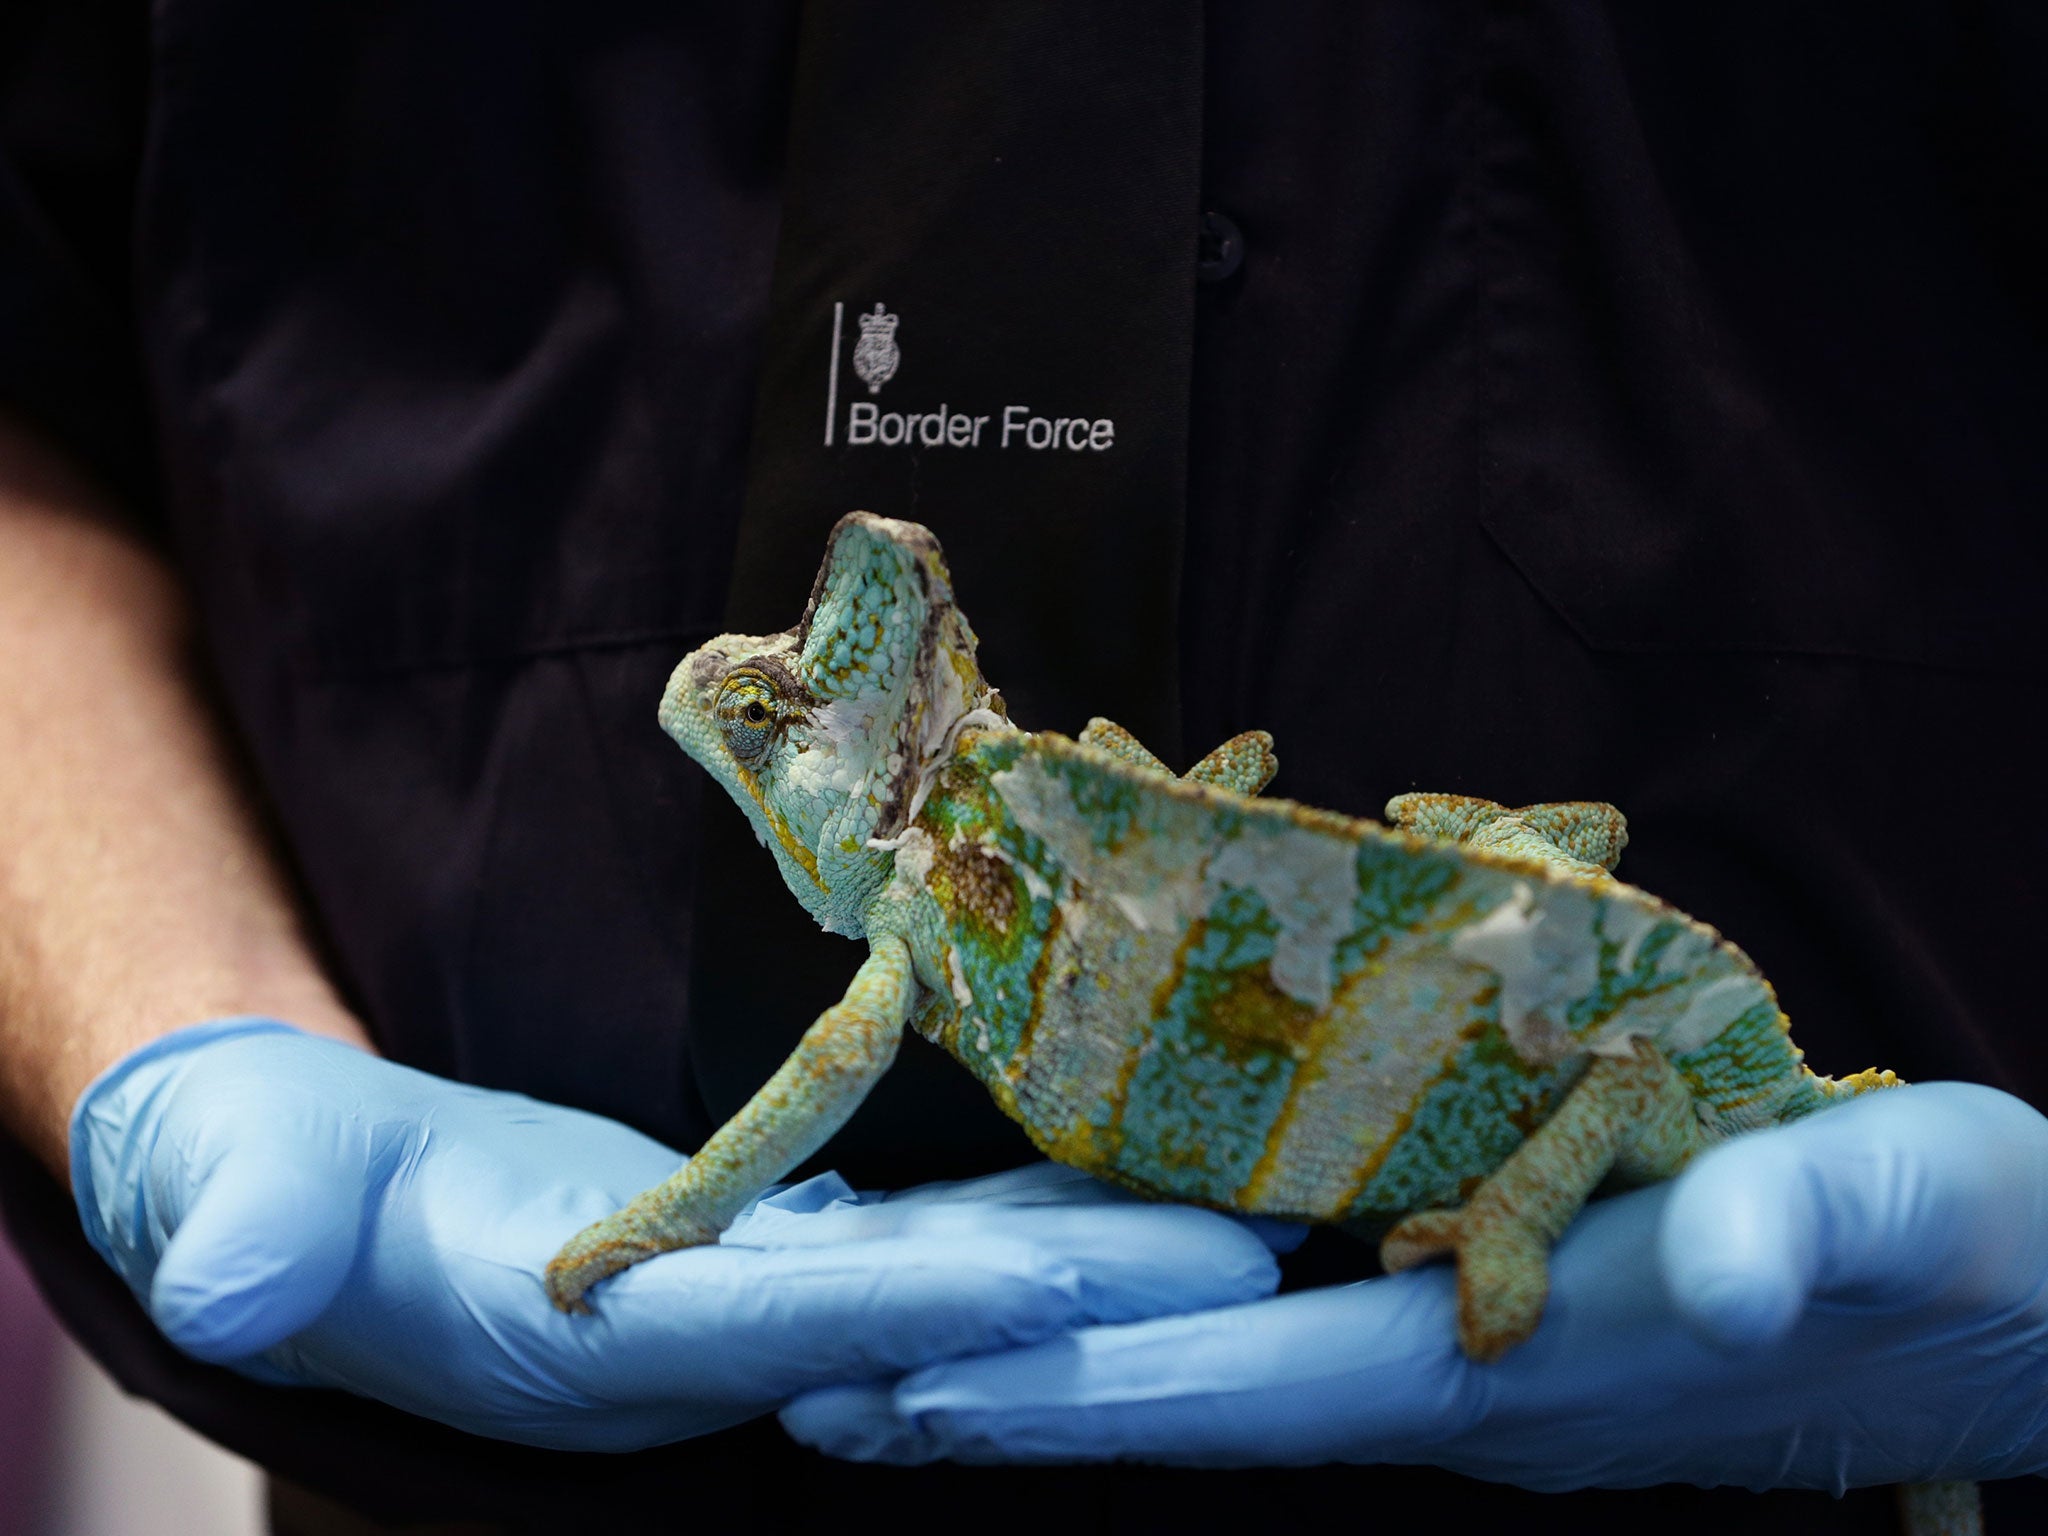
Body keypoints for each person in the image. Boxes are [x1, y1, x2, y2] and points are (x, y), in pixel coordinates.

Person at [3, 5, 2045, 1533]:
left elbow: (806, 1094)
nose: (742, 736)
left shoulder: (934, 879)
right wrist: (172, 1033)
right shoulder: (966, 850)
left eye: (779, 727)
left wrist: (643, 1233)